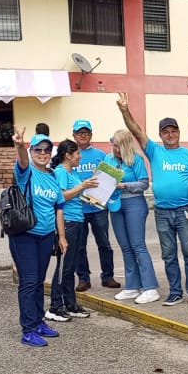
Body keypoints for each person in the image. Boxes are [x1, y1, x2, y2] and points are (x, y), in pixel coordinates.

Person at [115, 92, 188, 308]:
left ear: (179, 132)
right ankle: (175, 292)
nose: (170, 134)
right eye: (166, 131)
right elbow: (136, 130)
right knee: (169, 255)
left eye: (173, 130)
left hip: (185, 211)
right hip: (162, 212)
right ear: (160, 135)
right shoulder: (154, 150)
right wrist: (125, 110)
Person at [9, 130, 68, 347]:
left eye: (46, 149)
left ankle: (38, 320)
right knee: (29, 281)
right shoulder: (27, 172)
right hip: (25, 235)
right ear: (32, 151)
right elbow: (23, 161)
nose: (42, 153)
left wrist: (61, 236)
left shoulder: (52, 175)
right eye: (37, 149)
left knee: (39, 282)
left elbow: (59, 208)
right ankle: (28, 328)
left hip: (45, 236)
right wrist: (19, 146)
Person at [46, 140, 99, 323]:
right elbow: (61, 197)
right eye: (77, 153)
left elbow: (75, 194)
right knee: (64, 266)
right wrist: (82, 186)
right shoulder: (60, 172)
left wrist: (91, 196)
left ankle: (70, 303)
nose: (80, 156)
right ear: (68, 155)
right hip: (67, 222)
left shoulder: (73, 172)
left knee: (71, 266)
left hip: (77, 220)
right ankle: (54, 306)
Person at [108, 129, 161, 305]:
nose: (114, 148)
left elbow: (144, 183)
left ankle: (150, 287)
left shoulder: (136, 159)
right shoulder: (109, 159)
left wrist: (124, 185)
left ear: (124, 145)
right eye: (113, 145)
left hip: (134, 204)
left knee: (138, 245)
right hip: (115, 204)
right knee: (125, 246)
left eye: (117, 146)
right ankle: (132, 285)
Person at [70, 119, 120, 292]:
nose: (83, 135)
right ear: (74, 135)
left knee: (104, 243)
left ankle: (108, 276)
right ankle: (83, 278)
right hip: (78, 208)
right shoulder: (70, 155)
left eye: (86, 132)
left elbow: (111, 177)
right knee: (79, 246)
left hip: (98, 207)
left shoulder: (101, 155)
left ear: (91, 135)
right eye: (79, 133)